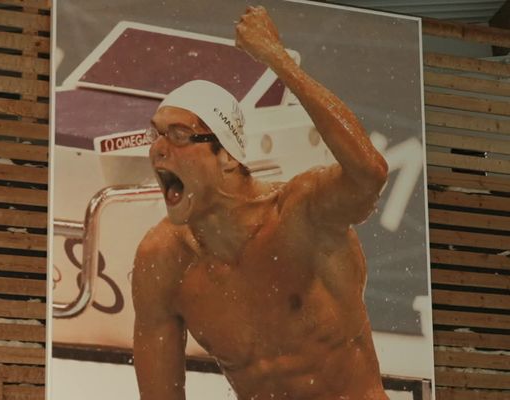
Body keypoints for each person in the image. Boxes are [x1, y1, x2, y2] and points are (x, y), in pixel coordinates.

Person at [132, 5, 389, 400]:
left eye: (180, 135)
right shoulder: (164, 260)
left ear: (228, 156)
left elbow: (368, 173)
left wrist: (277, 59)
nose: (159, 151)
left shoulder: (302, 215)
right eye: (156, 135)